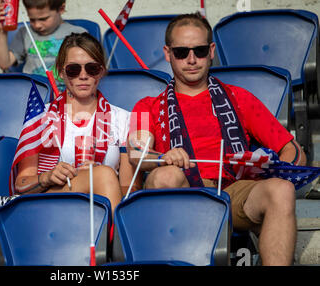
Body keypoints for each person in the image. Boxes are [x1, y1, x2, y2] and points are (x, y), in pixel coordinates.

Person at [127, 12, 306, 266]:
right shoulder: (146, 105)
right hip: (184, 190)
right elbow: (136, 153)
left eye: (199, 51)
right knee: (165, 175)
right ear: (167, 53)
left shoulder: (239, 97)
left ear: (211, 51)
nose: (191, 60)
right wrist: (163, 158)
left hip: (233, 190)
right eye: (181, 52)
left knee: (282, 189)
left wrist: (281, 171)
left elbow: (291, 148)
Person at [13, 32, 141, 214]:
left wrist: (93, 178)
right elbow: (21, 184)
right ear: (60, 72)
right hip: (53, 206)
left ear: (102, 71)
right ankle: (114, 240)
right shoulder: (42, 117)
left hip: (104, 203)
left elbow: (130, 188)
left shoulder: (123, 118)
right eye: (73, 69)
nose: (83, 76)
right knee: (103, 174)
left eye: (92, 68)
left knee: (102, 174)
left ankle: (108, 235)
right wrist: (47, 177)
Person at [0, 0, 86, 90]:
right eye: (32, 19)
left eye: (43, 19)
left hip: (65, 94)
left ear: (61, 9)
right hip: (31, 92)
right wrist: (2, 33)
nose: (37, 25)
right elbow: (4, 63)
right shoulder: (25, 32)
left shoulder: (78, 33)